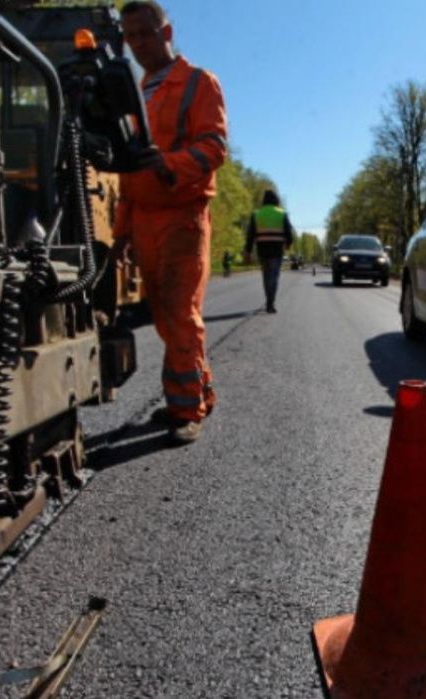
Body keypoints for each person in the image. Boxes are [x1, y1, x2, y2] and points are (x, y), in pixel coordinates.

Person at [109, 0, 228, 444]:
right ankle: (199, 391)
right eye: (130, 36)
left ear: (167, 32)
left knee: (180, 315)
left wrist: (168, 164)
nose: (138, 44)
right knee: (163, 317)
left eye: (145, 33)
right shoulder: (136, 92)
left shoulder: (198, 83)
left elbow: (213, 147)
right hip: (143, 218)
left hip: (182, 215)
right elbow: (126, 169)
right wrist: (121, 231)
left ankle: (186, 411)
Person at [243, 189, 294, 313]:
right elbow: (289, 233)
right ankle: (271, 302)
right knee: (274, 276)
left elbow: (251, 234)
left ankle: (268, 300)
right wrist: (288, 244)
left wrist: (248, 250)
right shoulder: (282, 214)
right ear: (276, 200)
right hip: (277, 250)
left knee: (266, 277)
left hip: (262, 249)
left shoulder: (257, 214)